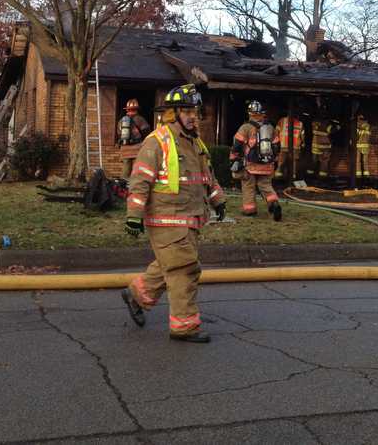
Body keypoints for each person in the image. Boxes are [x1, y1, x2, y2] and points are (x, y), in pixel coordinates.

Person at [121, 84, 226, 343]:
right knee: (184, 270)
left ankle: (137, 294)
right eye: (187, 110)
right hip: (166, 218)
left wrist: (218, 201)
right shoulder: (157, 141)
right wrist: (134, 214)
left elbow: (206, 177)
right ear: (173, 112)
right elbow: (140, 180)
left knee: (170, 264)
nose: (193, 116)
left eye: (195, 111)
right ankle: (184, 327)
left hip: (190, 218)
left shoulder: (195, 142)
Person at [231, 101, 281, 220]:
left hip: (250, 165)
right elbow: (276, 146)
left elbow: (237, 145)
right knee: (266, 186)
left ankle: (250, 210)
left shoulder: (245, 127)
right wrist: (274, 161)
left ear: (250, 113)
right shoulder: (270, 128)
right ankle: (274, 203)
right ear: (262, 113)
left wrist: (233, 159)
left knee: (248, 186)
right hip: (267, 164)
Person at [117, 99, 152, 179]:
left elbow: (119, 134)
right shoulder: (140, 119)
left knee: (126, 168)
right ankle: (135, 185)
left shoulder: (121, 121)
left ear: (127, 109)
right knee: (137, 167)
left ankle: (124, 186)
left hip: (124, 148)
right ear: (136, 109)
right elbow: (147, 132)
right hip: (137, 147)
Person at [309, 114, 340, 179]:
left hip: (315, 146)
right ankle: (322, 177)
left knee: (313, 161)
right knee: (324, 161)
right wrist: (337, 127)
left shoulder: (314, 123)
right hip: (325, 147)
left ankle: (310, 176)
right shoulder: (326, 124)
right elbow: (332, 130)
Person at [274, 113, 304, 180]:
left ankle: (279, 175)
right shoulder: (300, 123)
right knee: (294, 162)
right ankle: (293, 176)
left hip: (284, 145)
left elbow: (276, 131)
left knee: (282, 161)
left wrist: (276, 142)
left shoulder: (282, 120)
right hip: (295, 147)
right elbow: (303, 136)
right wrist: (303, 143)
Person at [356, 114, 372, 180]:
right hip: (366, 146)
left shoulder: (357, 126)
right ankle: (366, 175)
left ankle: (358, 176)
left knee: (357, 161)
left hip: (358, 146)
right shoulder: (368, 126)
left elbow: (355, 136)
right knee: (365, 161)